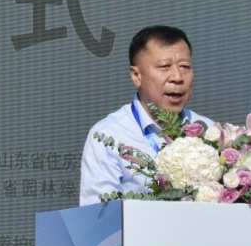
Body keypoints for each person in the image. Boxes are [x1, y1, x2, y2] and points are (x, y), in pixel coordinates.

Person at [79, 25, 212, 205]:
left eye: (185, 67)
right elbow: (99, 213)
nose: (177, 77)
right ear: (136, 76)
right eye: (164, 67)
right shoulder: (108, 135)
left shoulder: (210, 131)